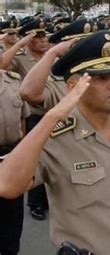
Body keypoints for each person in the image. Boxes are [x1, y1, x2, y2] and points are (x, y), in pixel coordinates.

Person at [0, 31, 110, 254]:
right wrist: (52, 116)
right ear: (73, 86)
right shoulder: (56, 138)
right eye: (101, 78)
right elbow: (7, 186)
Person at [1, 18, 51, 221]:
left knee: (50, 161)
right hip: (34, 117)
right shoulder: (21, 58)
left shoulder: (51, 58)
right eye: (36, 36)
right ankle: (36, 202)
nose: (42, 40)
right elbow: (2, 63)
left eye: (44, 35)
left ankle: (47, 199)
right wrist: (20, 43)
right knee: (32, 164)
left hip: (51, 116)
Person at [0, 68, 30, 255]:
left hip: (12, 153)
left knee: (13, 212)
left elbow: (23, 117)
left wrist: (22, 149)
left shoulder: (13, 80)